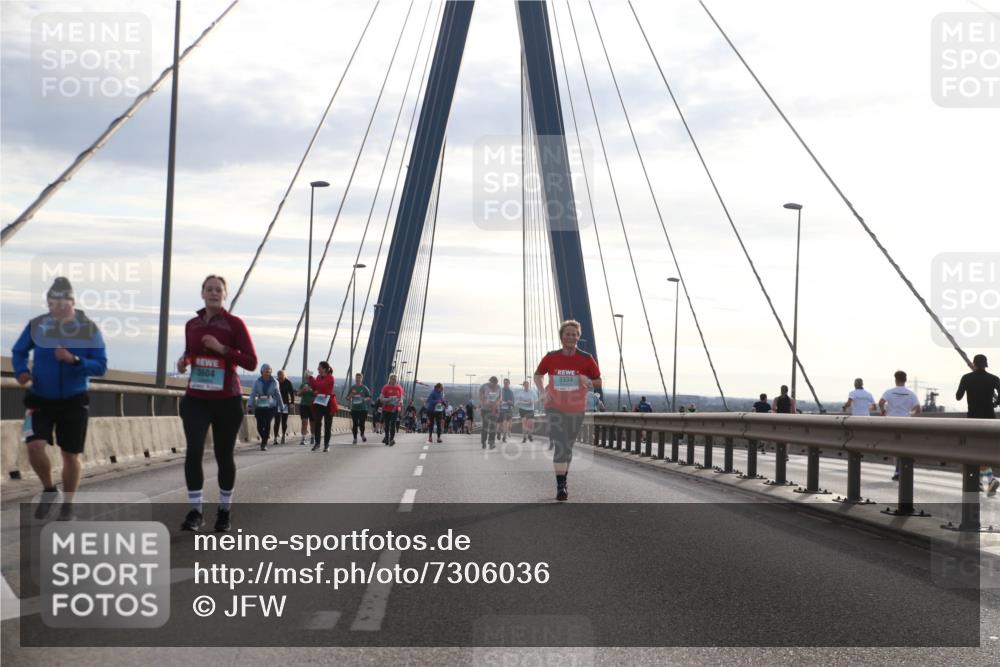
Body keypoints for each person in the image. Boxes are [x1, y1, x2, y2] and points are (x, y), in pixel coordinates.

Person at [12, 276, 108, 521]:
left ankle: (68, 505)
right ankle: (48, 489)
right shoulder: (38, 326)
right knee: (33, 446)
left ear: (73, 302)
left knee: (70, 455)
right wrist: (21, 370)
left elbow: (101, 366)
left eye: (64, 303)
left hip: (74, 400)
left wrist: (75, 360)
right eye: (53, 304)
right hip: (39, 399)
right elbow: (19, 350)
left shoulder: (89, 329)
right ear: (48, 304)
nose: (58, 308)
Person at [175, 275, 256, 532]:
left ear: (225, 295)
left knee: (223, 455)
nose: (213, 293)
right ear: (202, 293)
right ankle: (195, 512)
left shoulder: (234, 324)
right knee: (194, 451)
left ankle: (224, 511)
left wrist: (222, 349)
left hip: (226, 399)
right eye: (209, 289)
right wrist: (184, 360)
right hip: (196, 398)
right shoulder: (192, 324)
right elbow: (191, 352)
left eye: (218, 290)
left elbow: (251, 362)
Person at [534, 320, 602, 501]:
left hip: (576, 409)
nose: (571, 337)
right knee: (560, 445)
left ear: (578, 337)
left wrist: (585, 380)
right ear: (562, 337)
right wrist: (542, 392)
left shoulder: (586, 359)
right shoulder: (551, 356)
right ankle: (561, 485)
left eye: (574, 334)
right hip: (553, 408)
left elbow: (598, 382)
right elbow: (538, 374)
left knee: (568, 448)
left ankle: (563, 479)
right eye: (567, 334)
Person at [956, 354, 1000, 495]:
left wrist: (966, 387)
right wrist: (995, 403)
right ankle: (985, 480)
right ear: (985, 364)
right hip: (989, 419)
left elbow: (958, 396)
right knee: (985, 450)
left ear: (974, 364)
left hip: (973, 419)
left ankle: (985, 480)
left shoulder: (967, 378)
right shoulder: (993, 378)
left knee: (974, 450)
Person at [878, 370, 921, 481]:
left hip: (892, 422)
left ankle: (898, 470)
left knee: (895, 447)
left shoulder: (889, 392)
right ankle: (900, 469)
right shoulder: (911, 394)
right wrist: (911, 416)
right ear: (905, 380)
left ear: (895, 379)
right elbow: (918, 409)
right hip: (906, 423)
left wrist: (883, 412)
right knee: (903, 446)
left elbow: (881, 402)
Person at [248, 364, 283, 451]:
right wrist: (249, 405)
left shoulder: (275, 382)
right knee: (259, 426)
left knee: (267, 423)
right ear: (262, 371)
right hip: (260, 405)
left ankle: (264, 444)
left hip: (271, 406)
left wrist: (281, 406)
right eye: (266, 370)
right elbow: (252, 394)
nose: (268, 372)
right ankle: (265, 438)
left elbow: (278, 395)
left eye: (269, 370)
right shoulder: (257, 381)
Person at [308, 361, 337, 452]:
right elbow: (315, 387)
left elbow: (325, 388)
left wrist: (318, 391)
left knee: (327, 425)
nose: (317, 369)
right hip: (319, 403)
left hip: (328, 403)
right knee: (317, 423)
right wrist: (310, 378)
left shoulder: (330, 377)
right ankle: (317, 443)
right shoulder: (318, 377)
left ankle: (326, 445)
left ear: (324, 369)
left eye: (319, 367)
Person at [346, 372, 371, 444]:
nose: (358, 379)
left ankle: (362, 434)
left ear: (361, 379)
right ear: (355, 379)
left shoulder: (364, 388)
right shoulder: (353, 387)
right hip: (354, 409)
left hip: (363, 409)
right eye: (356, 378)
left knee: (362, 423)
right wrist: (351, 394)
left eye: (359, 378)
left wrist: (364, 399)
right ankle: (355, 438)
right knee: (355, 424)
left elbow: (369, 396)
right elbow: (347, 398)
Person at [272, 369, 295, 445]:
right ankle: (275, 438)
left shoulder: (288, 383)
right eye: (279, 376)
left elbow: (291, 393)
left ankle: (283, 436)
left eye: (282, 376)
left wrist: (292, 403)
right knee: (277, 421)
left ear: (285, 376)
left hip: (285, 404)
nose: (280, 378)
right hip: (277, 403)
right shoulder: (275, 382)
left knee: (284, 421)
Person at [380, 374, 405, 445]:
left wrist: (400, 402)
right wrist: (389, 399)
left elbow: (401, 398)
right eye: (392, 379)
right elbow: (381, 399)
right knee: (387, 424)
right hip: (386, 409)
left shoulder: (399, 388)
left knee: (393, 424)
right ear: (390, 380)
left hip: (395, 409)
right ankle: (387, 438)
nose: (394, 381)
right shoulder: (385, 387)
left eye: (395, 379)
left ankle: (391, 439)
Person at [479, 376, 503, 449]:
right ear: (490, 382)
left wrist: (496, 404)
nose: (494, 386)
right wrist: (488, 404)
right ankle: (483, 442)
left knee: (493, 426)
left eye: (495, 384)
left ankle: (491, 442)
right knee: (485, 426)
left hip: (495, 409)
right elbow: (481, 398)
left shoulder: (498, 387)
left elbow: (500, 398)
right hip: (485, 409)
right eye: (493, 384)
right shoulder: (483, 387)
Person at [297, 371, 314, 446]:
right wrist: (303, 390)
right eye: (306, 376)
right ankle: (303, 438)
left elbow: (318, 393)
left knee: (313, 422)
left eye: (309, 376)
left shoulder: (314, 384)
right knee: (304, 421)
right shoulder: (303, 385)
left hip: (313, 405)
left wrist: (312, 390)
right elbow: (298, 394)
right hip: (304, 405)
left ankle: (313, 437)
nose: (307, 377)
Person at [499, 378, 515, 443]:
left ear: (509, 383)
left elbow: (513, 402)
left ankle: (509, 431)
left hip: (509, 409)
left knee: (510, 424)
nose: (505, 384)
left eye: (507, 383)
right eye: (504, 383)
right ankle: (504, 437)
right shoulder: (500, 391)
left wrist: (510, 402)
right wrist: (502, 402)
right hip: (502, 410)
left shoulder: (511, 392)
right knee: (504, 423)